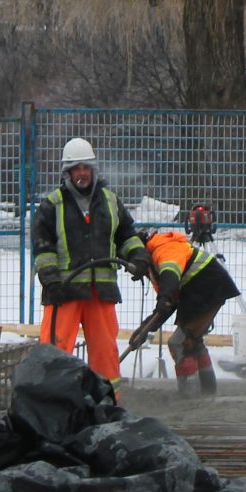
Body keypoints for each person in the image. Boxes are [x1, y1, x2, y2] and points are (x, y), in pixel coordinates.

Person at [31, 137, 150, 383]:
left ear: (93, 169)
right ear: (68, 172)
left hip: (101, 293)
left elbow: (126, 235)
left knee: (106, 353)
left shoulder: (110, 201)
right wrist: (51, 279)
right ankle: (52, 405)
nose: (82, 173)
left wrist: (138, 256)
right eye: (77, 168)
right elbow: (43, 247)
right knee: (55, 352)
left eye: (86, 167)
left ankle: (108, 404)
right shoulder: (52, 205)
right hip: (64, 291)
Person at [141, 203, 242, 393]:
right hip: (208, 287)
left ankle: (192, 396)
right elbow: (168, 301)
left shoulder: (162, 249)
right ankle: (207, 390)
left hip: (206, 288)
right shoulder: (154, 261)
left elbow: (169, 286)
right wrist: (146, 328)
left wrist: (157, 313)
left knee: (180, 343)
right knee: (192, 341)